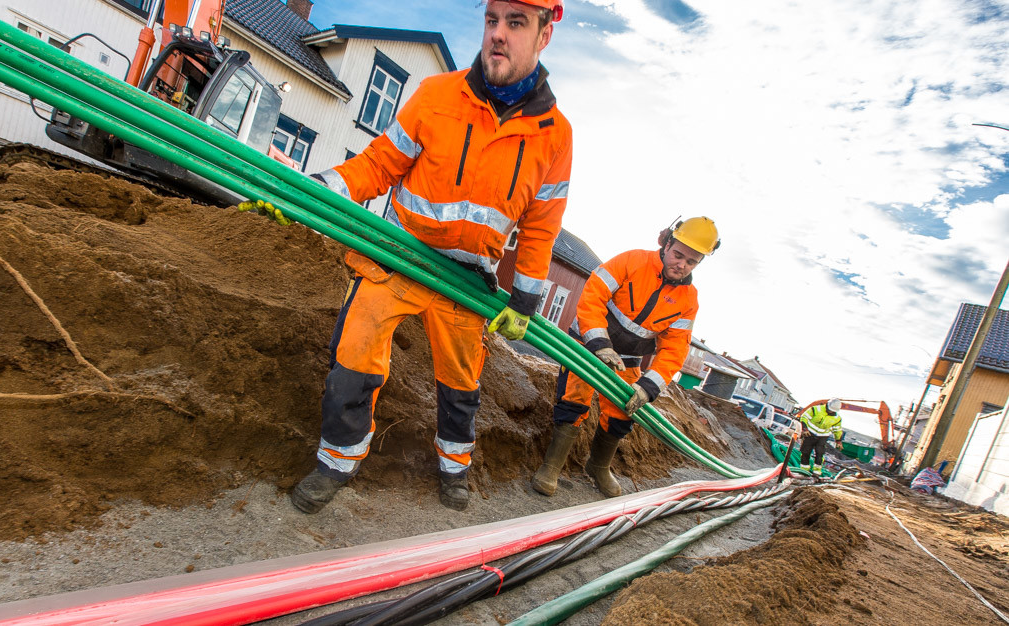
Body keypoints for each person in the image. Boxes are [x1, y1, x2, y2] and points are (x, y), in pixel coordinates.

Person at [248, 0, 572, 514]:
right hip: (397, 255)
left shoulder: (556, 136)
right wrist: (313, 192)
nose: (498, 35)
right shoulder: (436, 95)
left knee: (461, 386)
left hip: (467, 283)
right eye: (492, 21)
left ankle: (453, 468)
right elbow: (379, 164)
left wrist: (527, 302)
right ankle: (337, 461)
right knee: (353, 357)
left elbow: (541, 229)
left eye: (516, 23)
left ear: (543, 35)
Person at [531, 217, 720, 498]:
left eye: (691, 262)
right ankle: (551, 466)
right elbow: (593, 296)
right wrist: (600, 343)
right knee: (574, 400)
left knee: (622, 412)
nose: (682, 265)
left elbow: (675, 349)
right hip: (587, 344)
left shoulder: (688, 300)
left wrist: (649, 386)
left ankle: (598, 467)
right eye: (678, 255)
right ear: (667, 243)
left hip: (629, 359)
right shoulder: (632, 261)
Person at [799, 398, 843, 475]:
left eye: (833, 410)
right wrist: (804, 428)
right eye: (830, 409)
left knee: (819, 453)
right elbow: (804, 417)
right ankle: (804, 470)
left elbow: (837, 430)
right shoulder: (815, 409)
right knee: (805, 451)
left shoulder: (837, 418)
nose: (831, 411)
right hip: (810, 433)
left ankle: (816, 472)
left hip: (823, 436)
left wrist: (838, 440)